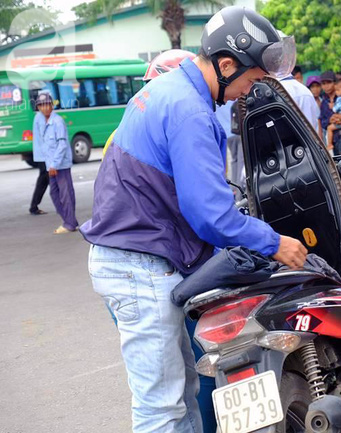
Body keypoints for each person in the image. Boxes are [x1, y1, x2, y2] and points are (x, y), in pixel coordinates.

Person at [80, 7, 308, 432]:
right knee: (161, 409)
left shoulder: (169, 91)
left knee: (181, 395)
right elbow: (210, 215)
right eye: (251, 80)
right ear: (226, 65)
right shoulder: (190, 111)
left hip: (138, 259)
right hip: (140, 266)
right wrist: (276, 242)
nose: (248, 91)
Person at [34, 93, 78, 234]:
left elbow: (62, 145)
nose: (44, 108)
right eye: (41, 105)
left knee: (65, 195)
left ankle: (69, 224)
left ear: (51, 105)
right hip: (51, 165)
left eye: (47, 104)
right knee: (54, 194)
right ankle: (69, 221)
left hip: (60, 166)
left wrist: (54, 164)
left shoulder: (57, 122)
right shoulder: (45, 122)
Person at [29, 95, 50, 216]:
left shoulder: (39, 117)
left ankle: (34, 206)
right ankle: (34, 206)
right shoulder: (41, 118)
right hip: (44, 155)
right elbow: (45, 137)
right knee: (47, 180)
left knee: (44, 180)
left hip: (43, 154)